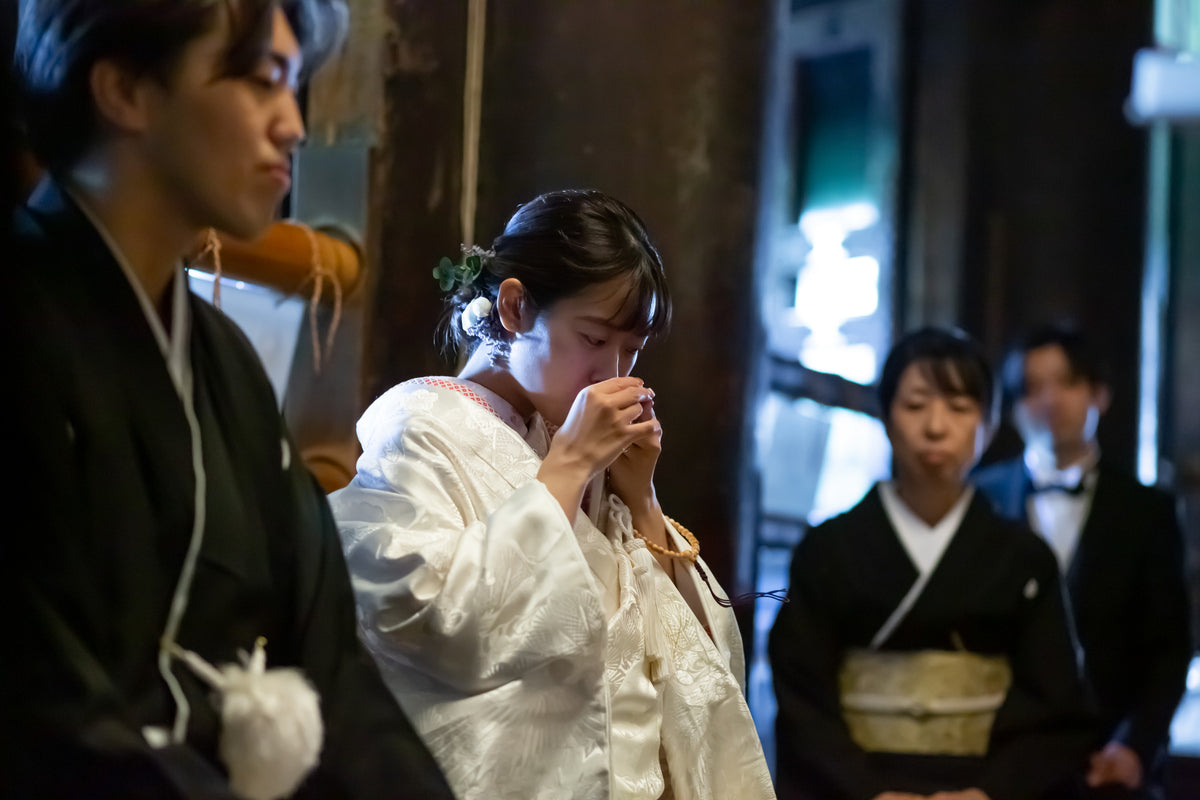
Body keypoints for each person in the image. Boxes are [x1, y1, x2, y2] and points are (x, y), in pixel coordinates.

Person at [2, 2, 454, 798]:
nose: (294, 125)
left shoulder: (224, 363)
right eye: (262, 82)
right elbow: (40, 705)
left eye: (297, 86)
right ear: (126, 91)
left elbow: (328, 672)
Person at [329, 189, 776, 800]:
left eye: (633, 349)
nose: (615, 373)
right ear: (514, 307)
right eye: (593, 340)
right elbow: (429, 621)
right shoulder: (423, 426)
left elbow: (703, 660)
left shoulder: (569, 442)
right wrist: (566, 468)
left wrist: (641, 499)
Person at [769, 327, 1094, 800]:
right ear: (885, 417)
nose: (936, 427)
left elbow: (1056, 707)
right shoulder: (829, 549)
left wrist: (988, 793)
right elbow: (802, 698)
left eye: (959, 408)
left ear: (987, 425)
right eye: (916, 405)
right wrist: (868, 792)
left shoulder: (1024, 558)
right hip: (856, 787)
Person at [975, 325, 1191, 800]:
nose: (1050, 400)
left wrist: (1135, 745)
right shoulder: (978, 498)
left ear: (1099, 395)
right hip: (997, 766)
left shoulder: (1147, 510)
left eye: (1067, 383)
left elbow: (1169, 647)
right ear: (1012, 409)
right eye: (1032, 388)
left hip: (1109, 763)